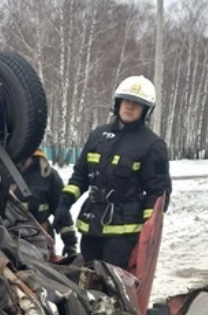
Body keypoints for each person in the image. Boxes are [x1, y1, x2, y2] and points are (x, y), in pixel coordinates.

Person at [52, 75, 171, 268]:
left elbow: (158, 193)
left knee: (111, 286)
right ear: (118, 103)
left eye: (137, 104)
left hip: (123, 235)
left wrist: (150, 230)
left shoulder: (152, 145)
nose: (130, 107)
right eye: (127, 101)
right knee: (86, 281)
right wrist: (63, 204)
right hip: (91, 227)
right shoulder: (98, 136)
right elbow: (80, 176)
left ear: (145, 111)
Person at [18, 149, 64, 246]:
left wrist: (70, 243)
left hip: (42, 237)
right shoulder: (0, 171)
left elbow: (61, 210)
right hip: (10, 237)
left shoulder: (47, 174)